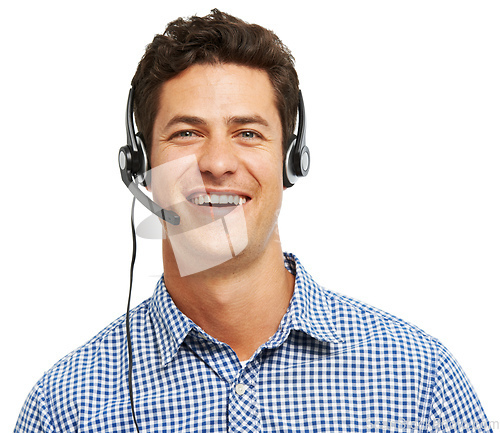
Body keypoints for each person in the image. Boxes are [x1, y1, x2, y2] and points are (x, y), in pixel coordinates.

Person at [15, 9, 493, 433]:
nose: (218, 162)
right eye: (186, 132)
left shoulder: (419, 381)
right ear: (140, 165)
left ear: (291, 160)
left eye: (248, 132)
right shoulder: (66, 408)